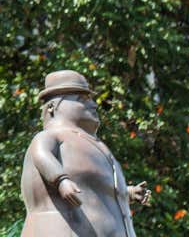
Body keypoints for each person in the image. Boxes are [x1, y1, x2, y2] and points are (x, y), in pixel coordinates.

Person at [20, 70, 151, 237]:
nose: (94, 105)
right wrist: (61, 180)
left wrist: (128, 192)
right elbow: (41, 155)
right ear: (52, 107)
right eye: (82, 99)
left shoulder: (94, 144)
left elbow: (98, 187)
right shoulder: (50, 136)